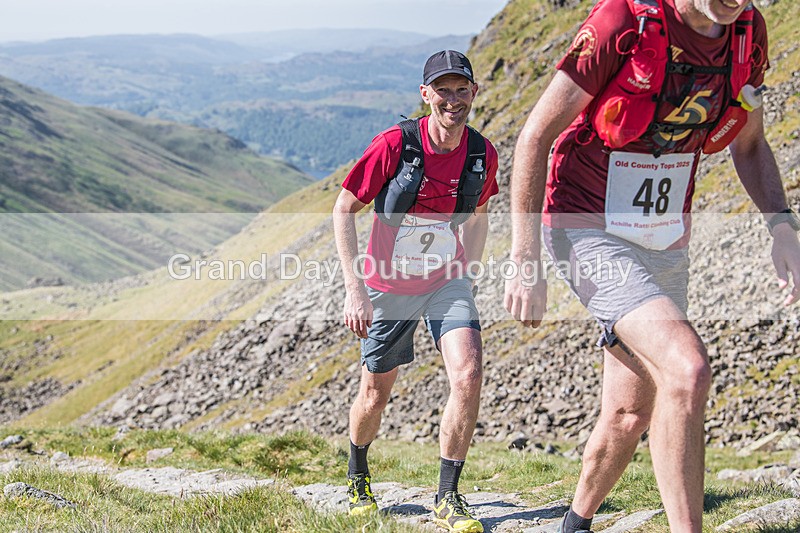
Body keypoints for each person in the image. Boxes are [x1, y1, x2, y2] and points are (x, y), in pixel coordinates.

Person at [503, 0, 800, 531]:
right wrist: (524, 259)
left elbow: (749, 146)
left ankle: (574, 524)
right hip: (585, 226)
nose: (738, 3)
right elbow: (534, 137)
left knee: (630, 412)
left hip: (663, 237)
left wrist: (782, 227)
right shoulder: (622, 21)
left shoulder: (747, 34)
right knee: (687, 369)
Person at [332, 50, 499, 532]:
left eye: (461, 90)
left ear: (474, 93)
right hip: (386, 285)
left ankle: (448, 496)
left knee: (468, 375)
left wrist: (468, 269)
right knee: (375, 393)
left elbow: (481, 214)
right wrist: (354, 289)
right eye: (442, 90)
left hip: (446, 282)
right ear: (424, 95)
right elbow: (344, 208)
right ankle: (357, 475)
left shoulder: (482, 153)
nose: (453, 99)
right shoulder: (394, 145)